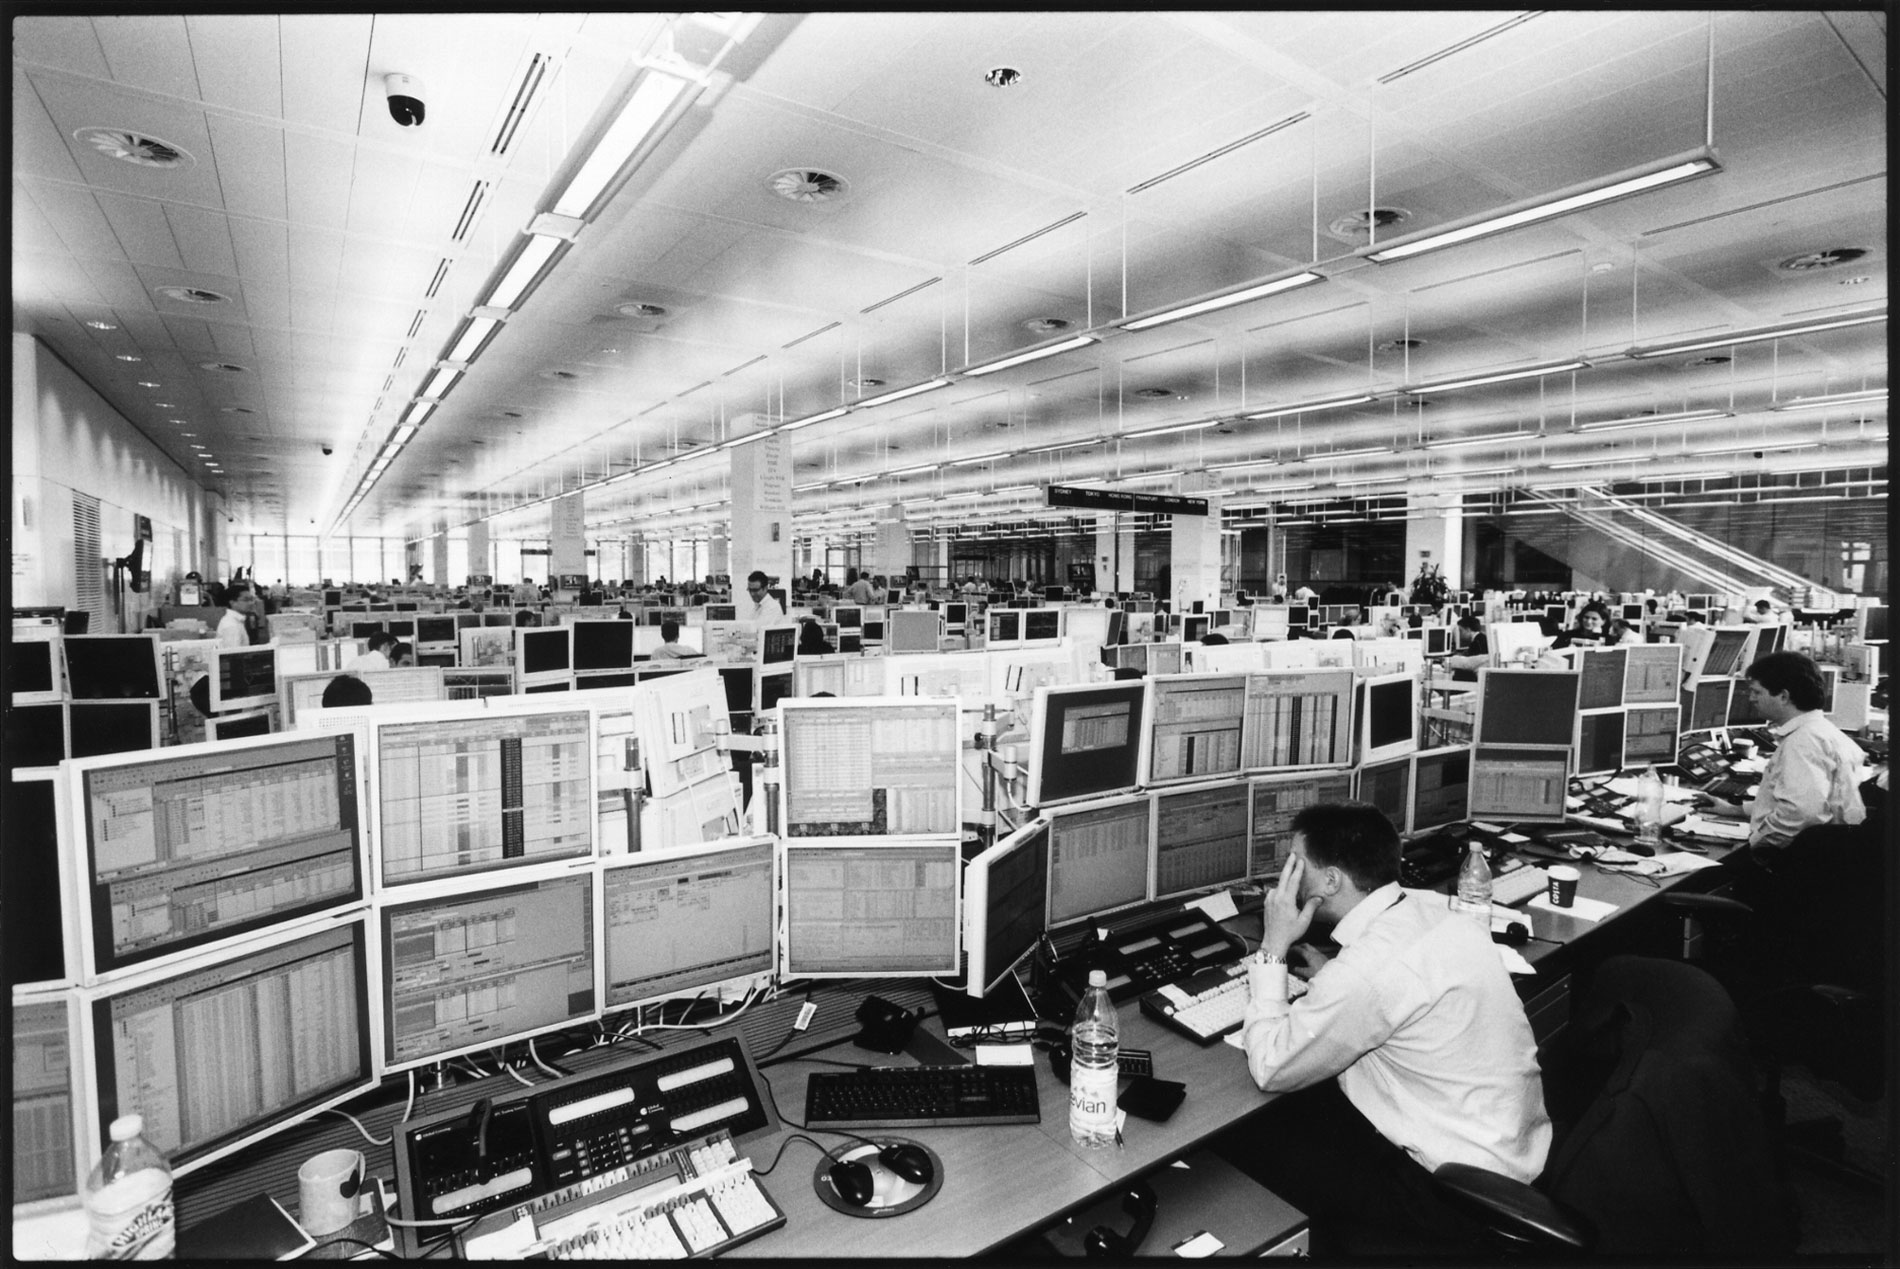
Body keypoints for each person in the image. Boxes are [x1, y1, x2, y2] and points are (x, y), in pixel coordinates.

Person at [1214, 802, 1549, 1256]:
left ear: (1330, 881)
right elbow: (1392, 979)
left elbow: (1271, 1067)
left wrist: (1273, 949)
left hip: (1447, 1194)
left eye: (1296, 865)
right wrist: (1335, 971)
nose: (1286, 878)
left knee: (1245, 1138)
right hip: (1512, 1150)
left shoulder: (1366, 973)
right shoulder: (1438, 910)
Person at [1702, 651, 1867, 851]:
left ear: (1783, 696)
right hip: (1834, 856)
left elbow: (1801, 813)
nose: (1751, 699)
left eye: (1757, 692)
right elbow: (1797, 803)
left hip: (1804, 865)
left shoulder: (1802, 743)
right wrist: (1735, 810)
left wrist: (1757, 845)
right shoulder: (1823, 731)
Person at [1444, 614, 1489, 681]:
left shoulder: (1476, 643)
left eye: (1461, 630)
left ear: (1468, 630)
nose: (1460, 634)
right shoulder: (1482, 637)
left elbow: (1470, 663)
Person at [217, 583, 261, 648]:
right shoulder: (231, 625)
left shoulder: (237, 620)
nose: (251, 603)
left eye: (251, 599)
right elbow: (233, 654)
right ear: (232, 603)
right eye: (246, 600)